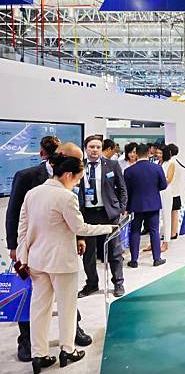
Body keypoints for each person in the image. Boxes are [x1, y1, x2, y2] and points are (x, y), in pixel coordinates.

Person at [16, 153, 115, 373]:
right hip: (61, 263)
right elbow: (80, 228)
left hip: (36, 261)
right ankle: (67, 350)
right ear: (68, 175)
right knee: (67, 307)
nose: (78, 183)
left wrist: (23, 256)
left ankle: (39, 355)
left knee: (39, 309)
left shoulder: (33, 193)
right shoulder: (65, 197)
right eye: (78, 179)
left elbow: (22, 228)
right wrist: (109, 228)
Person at [4, 137, 92, 363]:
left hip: (58, 249)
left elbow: (75, 211)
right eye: (77, 163)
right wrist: (15, 247)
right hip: (40, 255)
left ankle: (62, 342)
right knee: (37, 303)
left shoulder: (70, 182)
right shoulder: (27, 177)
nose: (79, 168)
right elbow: (15, 214)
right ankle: (29, 343)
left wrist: (79, 236)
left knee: (61, 302)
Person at [77, 136, 128, 299]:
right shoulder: (79, 167)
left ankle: (118, 282)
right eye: (91, 147)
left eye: (98, 147)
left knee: (114, 251)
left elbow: (122, 188)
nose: (95, 150)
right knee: (88, 253)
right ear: (85, 148)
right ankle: (92, 283)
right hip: (87, 215)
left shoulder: (112, 165)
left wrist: (121, 208)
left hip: (109, 214)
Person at [124, 143, 168, 268]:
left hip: (136, 205)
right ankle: (156, 258)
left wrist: (126, 207)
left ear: (136, 154)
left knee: (135, 231)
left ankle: (134, 260)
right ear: (149, 153)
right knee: (154, 231)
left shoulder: (129, 171)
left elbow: (127, 191)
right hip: (153, 204)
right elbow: (163, 185)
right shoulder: (157, 168)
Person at [166, 144, 182, 240]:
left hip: (171, 192)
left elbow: (169, 179)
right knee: (175, 213)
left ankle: (172, 233)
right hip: (177, 191)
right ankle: (174, 232)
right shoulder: (178, 161)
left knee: (172, 214)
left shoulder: (172, 162)